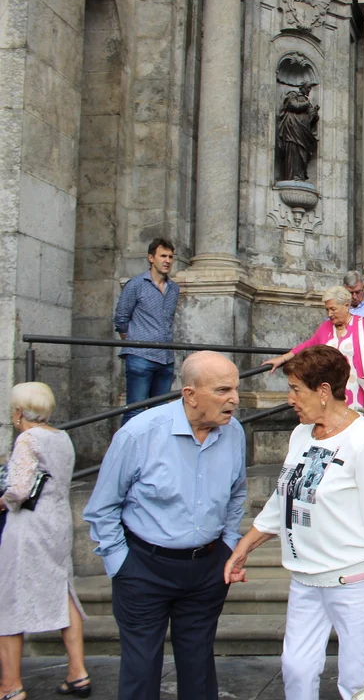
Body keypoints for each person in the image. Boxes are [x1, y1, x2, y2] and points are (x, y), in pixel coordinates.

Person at [222, 346, 364, 700]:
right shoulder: (301, 434)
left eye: (295, 389)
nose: (290, 399)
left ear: (323, 391)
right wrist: (244, 547)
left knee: (359, 680)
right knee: (296, 669)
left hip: (354, 582)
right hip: (305, 579)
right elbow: (284, 500)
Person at [83, 351, 247, 700]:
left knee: (199, 670)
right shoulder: (140, 433)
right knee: (140, 672)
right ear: (190, 395)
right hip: (144, 568)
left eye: (235, 388)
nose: (234, 398)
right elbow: (102, 506)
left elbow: (237, 493)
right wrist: (120, 564)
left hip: (207, 568)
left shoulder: (234, 432)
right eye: (222, 390)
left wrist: (229, 544)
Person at [0, 383, 90, 700]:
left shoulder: (28, 438)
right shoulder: (61, 436)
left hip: (28, 525)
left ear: (19, 411)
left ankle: (11, 686)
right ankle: (77, 672)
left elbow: (18, 490)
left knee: (9, 598)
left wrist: (3, 501)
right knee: (63, 590)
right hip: (58, 522)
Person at [264, 285, 364, 427]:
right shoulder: (325, 328)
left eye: (333, 309)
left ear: (346, 306)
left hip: (359, 388)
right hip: (332, 391)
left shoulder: (363, 324)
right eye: (327, 309)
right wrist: (282, 359)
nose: (329, 314)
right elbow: (308, 345)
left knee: (360, 427)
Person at [113, 237, 179, 424]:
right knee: (135, 411)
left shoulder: (174, 289)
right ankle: (127, 445)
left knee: (161, 413)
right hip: (140, 357)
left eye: (170, 257)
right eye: (163, 256)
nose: (167, 261)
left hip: (165, 358)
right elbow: (121, 318)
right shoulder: (136, 284)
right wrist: (135, 342)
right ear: (151, 258)